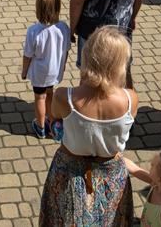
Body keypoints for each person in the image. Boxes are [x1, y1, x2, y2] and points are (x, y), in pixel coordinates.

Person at [39, 27, 139, 226]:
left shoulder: (63, 97)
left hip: (68, 173)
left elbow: (54, 123)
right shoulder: (130, 100)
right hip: (112, 175)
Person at [22, 0, 70, 138]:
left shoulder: (33, 31)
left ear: (38, 9)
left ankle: (41, 126)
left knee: (40, 97)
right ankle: (51, 119)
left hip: (40, 73)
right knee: (50, 94)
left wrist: (24, 72)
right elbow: (66, 50)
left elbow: (28, 55)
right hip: (55, 70)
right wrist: (63, 66)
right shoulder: (63, 28)